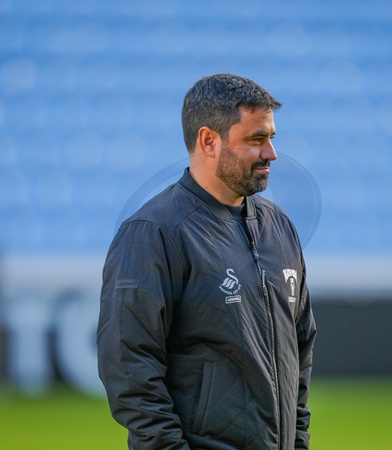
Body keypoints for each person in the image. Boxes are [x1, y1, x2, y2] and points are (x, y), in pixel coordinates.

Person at [97, 73, 317, 449]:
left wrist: (297, 442)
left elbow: (300, 349)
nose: (271, 153)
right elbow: (129, 368)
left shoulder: (280, 227)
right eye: (256, 139)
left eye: (271, 138)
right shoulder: (153, 232)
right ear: (209, 141)